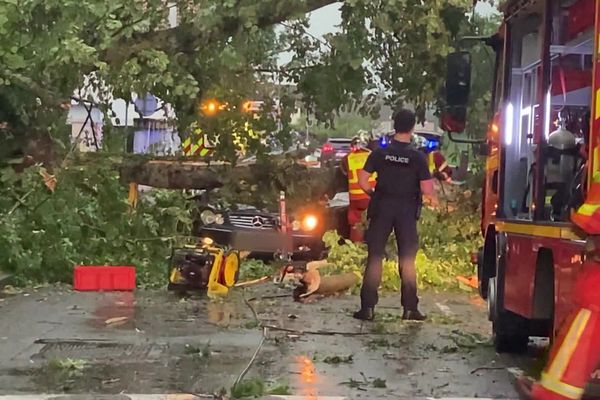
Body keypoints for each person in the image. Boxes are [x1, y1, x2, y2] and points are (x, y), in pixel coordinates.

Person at [353, 109, 438, 322]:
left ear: (394, 125)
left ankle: (368, 309)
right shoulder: (418, 157)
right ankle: (410, 309)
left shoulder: (380, 153)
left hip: (382, 206)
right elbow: (427, 190)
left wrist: (373, 194)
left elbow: (363, 180)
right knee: (407, 259)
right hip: (407, 210)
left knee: (375, 256)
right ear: (412, 128)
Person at [340, 137, 376, 242]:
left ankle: (356, 248)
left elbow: (343, 174)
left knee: (356, 224)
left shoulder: (347, 158)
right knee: (376, 222)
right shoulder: (373, 155)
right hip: (371, 195)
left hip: (355, 198)